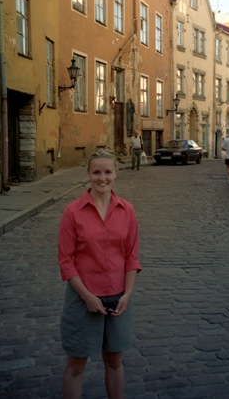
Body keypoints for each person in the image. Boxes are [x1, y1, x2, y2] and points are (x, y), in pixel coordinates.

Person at [58, 149, 142, 399]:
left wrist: (128, 294)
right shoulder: (72, 212)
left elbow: (131, 257)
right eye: (96, 172)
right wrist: (87, 297)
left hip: (118, 298)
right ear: (88, 174)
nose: (102, 178)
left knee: (115, 360)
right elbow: (66, 261)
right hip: (83, 297)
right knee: (77, 364)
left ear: (116, 173)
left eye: (107, 172)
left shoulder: (127, 210)